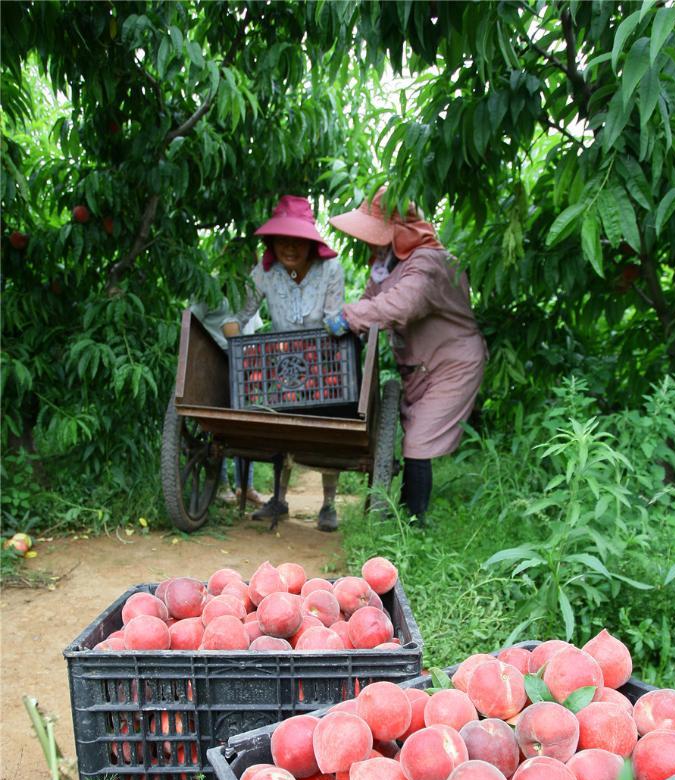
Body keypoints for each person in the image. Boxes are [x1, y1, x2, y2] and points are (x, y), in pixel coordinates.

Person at [326, 187, 487, 525]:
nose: (369, 242)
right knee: (414, 437)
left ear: (399, 232)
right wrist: (350, 318)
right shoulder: (387, 264)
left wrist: (350, 316)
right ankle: (403, 512)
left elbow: (402, 305)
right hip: (419, 366)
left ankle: (414, 522)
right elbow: (374, 299)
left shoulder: (428, 262)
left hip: (451, 365)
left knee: (418, 439)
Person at [222, 195, 345, 532]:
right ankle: (280, 498)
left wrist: (343, 325)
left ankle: (328, 504)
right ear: (272, 242)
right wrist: (238, 346)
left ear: (310, 242)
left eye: (297, 240)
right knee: (283, 428)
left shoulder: (330, 269)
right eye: (282, 239)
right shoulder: (264, 274)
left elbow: (335, 316)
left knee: (327, 430)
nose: (290, 247)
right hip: (282, 364)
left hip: (323, 362)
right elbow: (238, 315)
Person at [189, 297, 266, 507]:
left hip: (244, 360)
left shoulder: (252, 291)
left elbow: (254, 329)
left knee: (245, 420)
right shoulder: (212, 291)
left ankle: (246, 486)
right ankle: (222, 485)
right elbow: (190, 321)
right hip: (217, 359)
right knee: (219, 424)